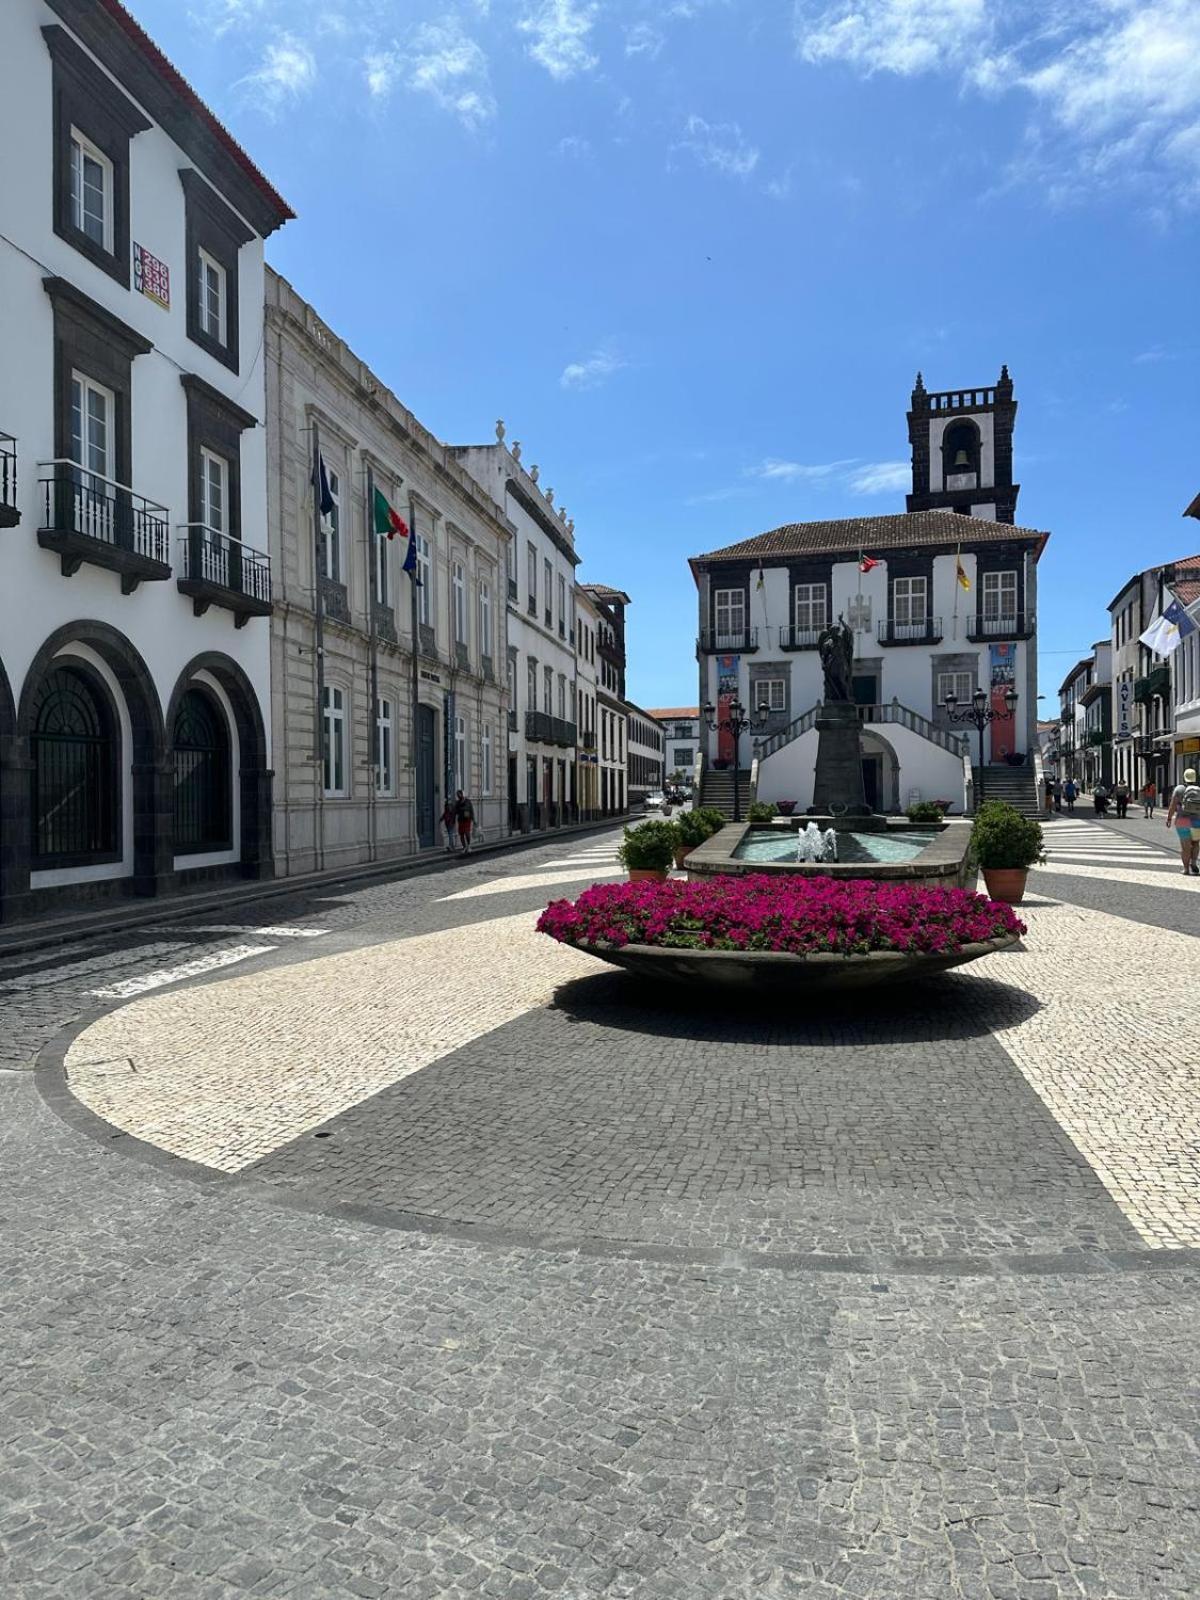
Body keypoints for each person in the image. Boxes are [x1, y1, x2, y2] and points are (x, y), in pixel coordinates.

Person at [1165, 768, 1200, 876]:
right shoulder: (1198, 789)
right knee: (1195, 843)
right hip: (1197, 821)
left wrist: (1169, 818)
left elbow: (1173, 805)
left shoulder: (1179, 789)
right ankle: (1193, 862)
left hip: (1182, 820)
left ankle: (1186, 869)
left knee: (1185, 846)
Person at [454, 788, 475, 853]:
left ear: (462, 794)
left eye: (459, 794)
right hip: (460, 819)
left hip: (467, 819)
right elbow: (455, 811)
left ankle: (468, 846)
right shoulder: (458, 802)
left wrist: (473, 819)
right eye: (457, 795)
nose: (458, 796)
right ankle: (464, 847)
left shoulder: (467, 801)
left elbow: (470, 809)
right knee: (461, 834)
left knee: (467, 833)